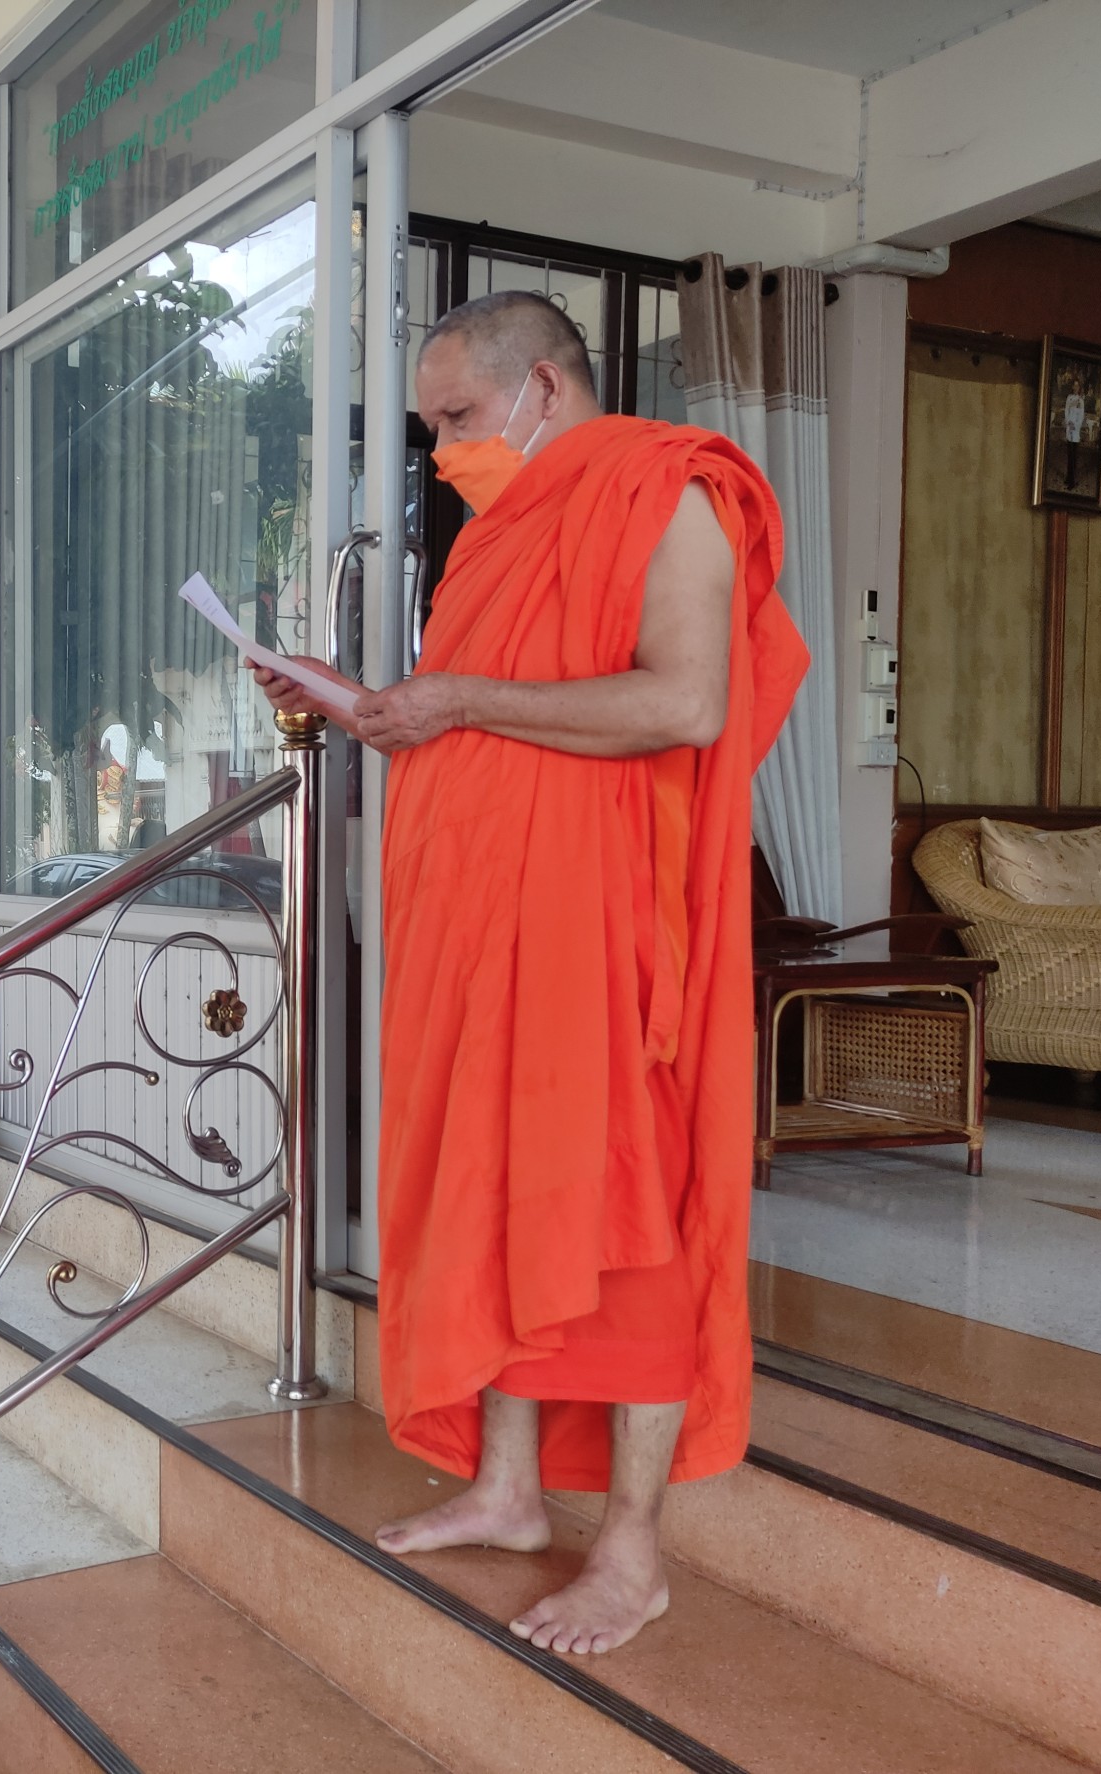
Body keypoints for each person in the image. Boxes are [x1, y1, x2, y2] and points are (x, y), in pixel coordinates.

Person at [253, 290, 807, 1657]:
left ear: (542, 387)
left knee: (622, 1217)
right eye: (430, 425)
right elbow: (480, 727)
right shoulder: (499, 535)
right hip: (484, 942)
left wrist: (453, 697)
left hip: (602, 941)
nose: (442, 449)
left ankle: (631, 1548)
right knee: (501, 1193)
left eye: (456, 415)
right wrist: (362, 703)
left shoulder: (667, 492)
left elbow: (681, 702)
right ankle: (506, 1490)